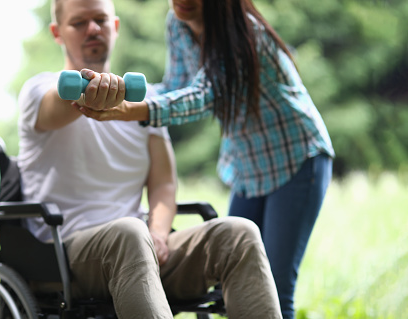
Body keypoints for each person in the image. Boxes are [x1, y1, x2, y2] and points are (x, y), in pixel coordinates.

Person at [17, 0, 282, 318]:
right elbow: (55, 106)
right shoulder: (39, 90)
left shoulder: (146, 102)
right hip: (67, 255)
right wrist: (84, 92)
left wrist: (158, 233)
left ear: (114, 27)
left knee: (239, 233)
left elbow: (164, 182)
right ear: (57, 33)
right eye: (79, 22)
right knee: (129, 233)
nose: (92, 29)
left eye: (100, 20)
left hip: (142, 247)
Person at [76, 0, 335, 318]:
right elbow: (175, 87)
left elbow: (203, 95)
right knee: (234, 279)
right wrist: (116, 92)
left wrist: (131, 111)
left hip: (298, 157)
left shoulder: (245, 35)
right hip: (249, 165)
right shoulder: (178, 23)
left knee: (277, 287)